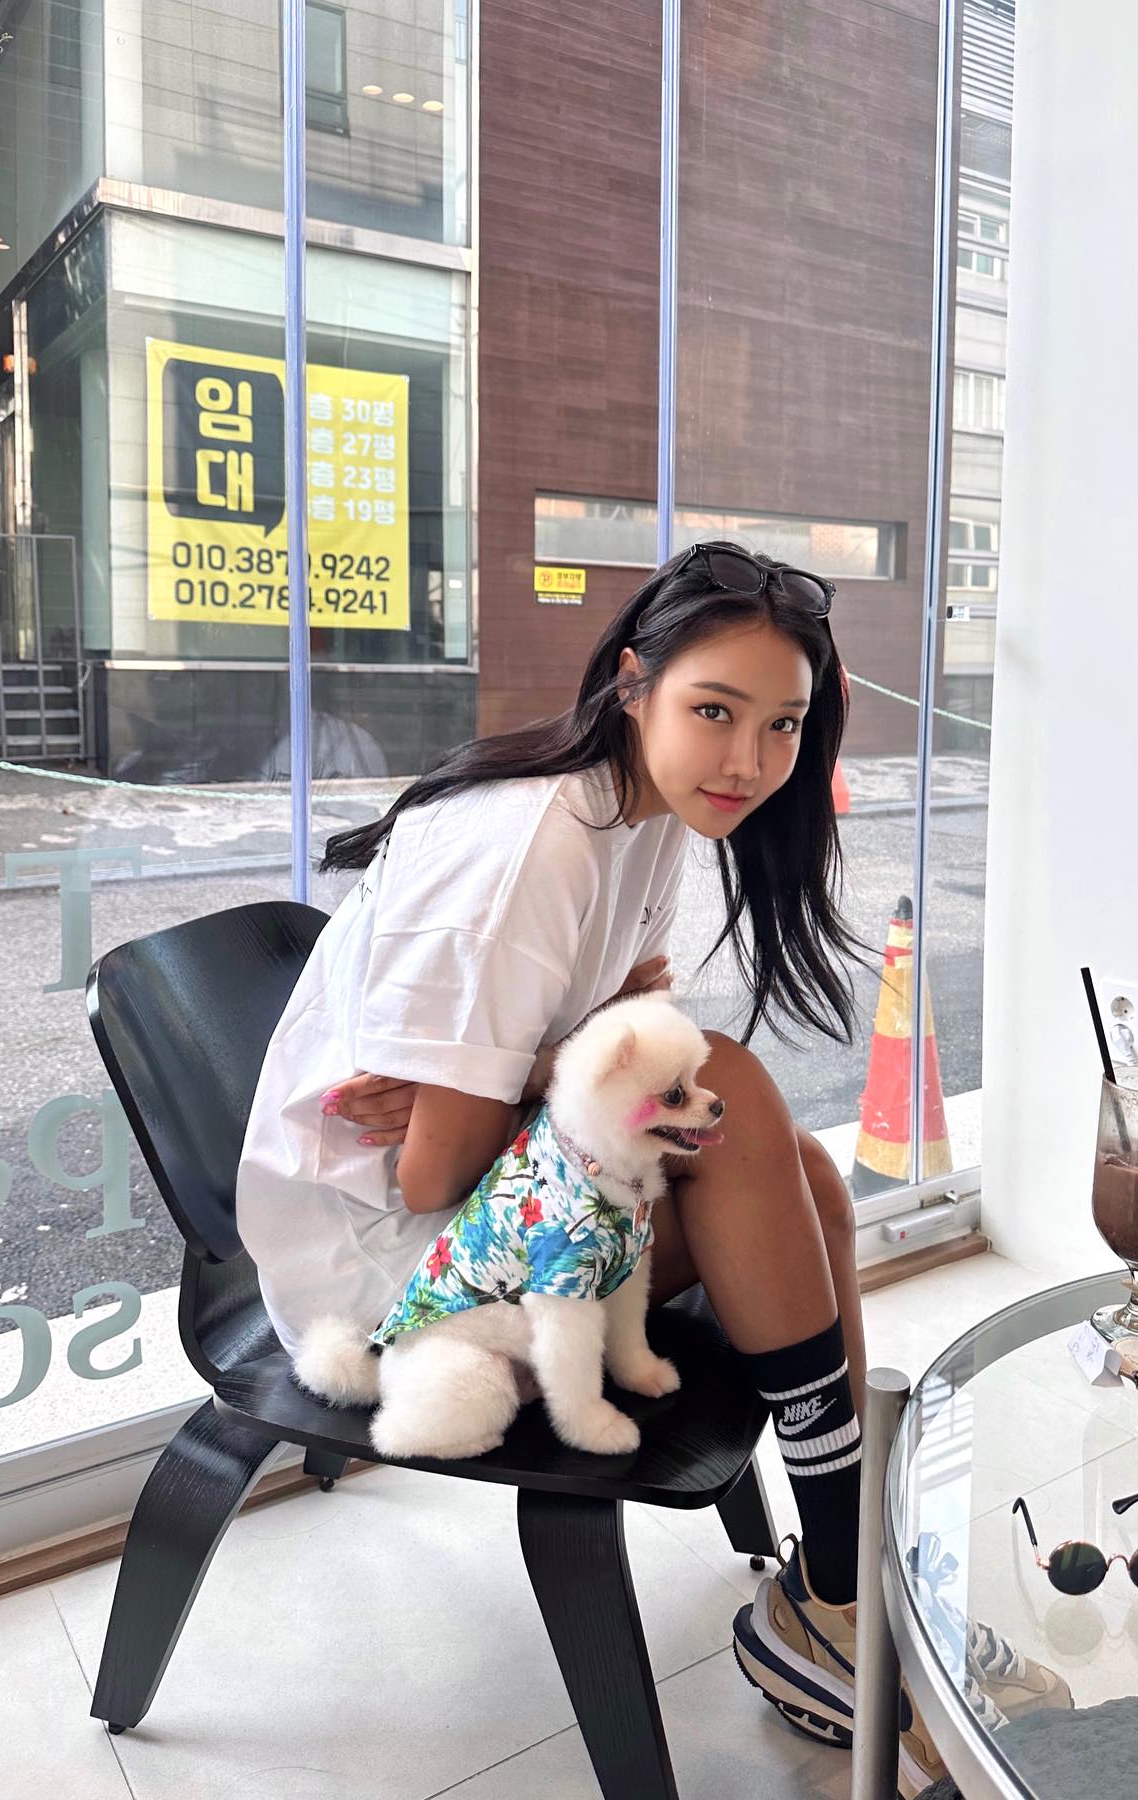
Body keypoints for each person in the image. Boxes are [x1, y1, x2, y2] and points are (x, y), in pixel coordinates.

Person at [235, 540, 936, 1779]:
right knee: (735, 1095)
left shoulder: (644, 818)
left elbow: (599, 1058)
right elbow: (430, 1180)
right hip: (400, 1281)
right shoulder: (532, 846)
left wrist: (533, 1065)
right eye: (713, 710)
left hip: (490, 1208)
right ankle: (839, 1598)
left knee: (803, 1170)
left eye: (782, 726)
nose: (748, 761)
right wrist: (545, 1068)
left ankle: (845, 1560)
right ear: (632, 684)